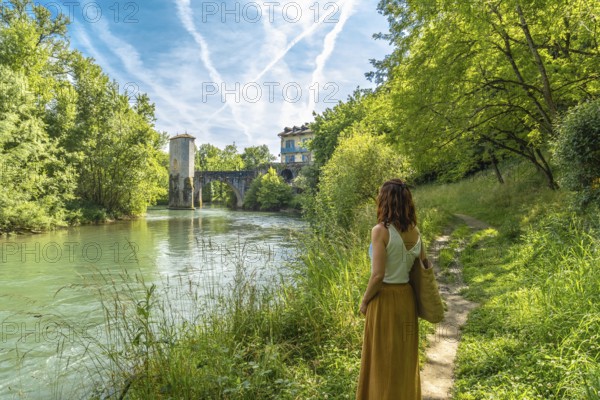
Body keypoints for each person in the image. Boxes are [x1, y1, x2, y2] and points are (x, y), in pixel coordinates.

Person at [356, 178, 424, 399]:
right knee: (404, 359)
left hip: (384, 300)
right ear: (406, 202)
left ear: (385, 201)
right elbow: (423, 266)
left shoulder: (380, 231)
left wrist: (365, 301)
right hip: (406, 299)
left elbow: (378, 275)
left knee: (381, 361)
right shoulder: (415, 231)